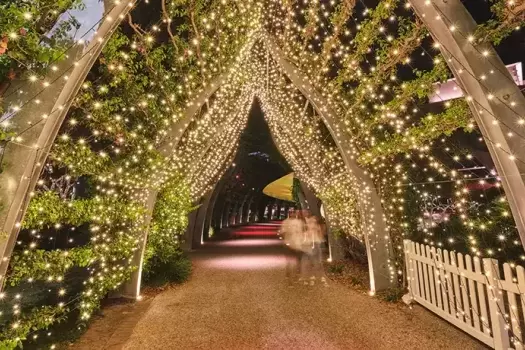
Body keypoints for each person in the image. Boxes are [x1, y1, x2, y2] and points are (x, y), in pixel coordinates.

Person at [304, 211, 328, 286]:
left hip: (316, 243)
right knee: (313, 260)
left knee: (317, 260)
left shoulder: (317, 227)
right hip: (311, 243)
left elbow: (321, 233)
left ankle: (319, 276)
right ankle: (313, 276)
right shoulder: (308, 226)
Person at [282, 209, 306, 282]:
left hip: (297, 243)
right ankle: (288, 273)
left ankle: (297, 273)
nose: (292, 214)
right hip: (289, 243)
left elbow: (303, 231)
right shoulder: (286, 222)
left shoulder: (299, 222)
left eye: (293, 212)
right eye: (290, 212)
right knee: (289, 260)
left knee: (298, 259)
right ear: (288, 213)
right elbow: (283, 232)